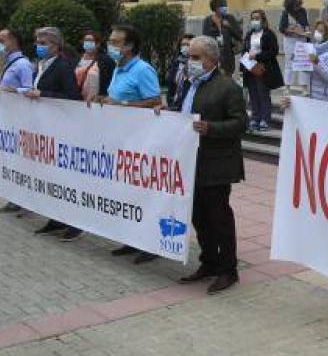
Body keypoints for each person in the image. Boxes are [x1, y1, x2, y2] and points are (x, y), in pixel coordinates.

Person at [173, 36, 246, 294]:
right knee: (198, 217)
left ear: (212, 59)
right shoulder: (187, 83)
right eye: (188, 56)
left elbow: (240, 123)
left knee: (219, 218)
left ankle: (228, 269)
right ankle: (209, 262)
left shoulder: (227, 87)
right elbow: (180, 111)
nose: (189, 61)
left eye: (195, 57)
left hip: (216, 164)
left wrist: (211, 128)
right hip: (189, 160)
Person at [99, 24, 164, 264]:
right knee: (126, 194)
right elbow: (116, 98)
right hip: (121, 141)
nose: (111, 46)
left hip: (141, 142)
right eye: (111, 41)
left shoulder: (142, 69)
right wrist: (104, 100)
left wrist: (123, 106)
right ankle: (132, 239)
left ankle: (150, 244)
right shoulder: (119, 68)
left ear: (129, 46)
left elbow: (155, 101)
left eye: (116, 42)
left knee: (143, 196)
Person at [25, 27, 83, 240]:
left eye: (44, 42)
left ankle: (74, 223)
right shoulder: (40, 65)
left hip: (62, 129)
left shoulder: (63, 66)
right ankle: (56, 218)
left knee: (66, 179)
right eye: (38, 41)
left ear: (56, 46)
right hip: (45, 130)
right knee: (50, 177)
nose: (39, 46)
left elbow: (72, 97)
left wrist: (44, 94)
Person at [0, 28, 33, 216]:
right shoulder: (9, 62)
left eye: (2, 40)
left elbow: (28, 90)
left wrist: (8, 92)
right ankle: (14, 198)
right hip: (9, 121)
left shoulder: (22, 64)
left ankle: (25, 200)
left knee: (22, 163)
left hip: (21, 121)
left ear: (14, 41)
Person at [241, 8, 284, 131]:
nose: (254, 21)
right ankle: (255, 118)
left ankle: (265, 119)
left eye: (257, 18)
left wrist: (257, 56)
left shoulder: (268, 34)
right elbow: (244, 50)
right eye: (253, 18)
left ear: (263, 20)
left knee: (263, 94)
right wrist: (243, 65)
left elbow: (273, 51)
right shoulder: (249, 34)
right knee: (253, 94)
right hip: (250, 68)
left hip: (264, 69)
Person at [301, 19, 328, 102]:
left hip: (325, 97)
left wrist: (317, 62)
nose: (317, 33)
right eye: (316, 30)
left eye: (321, 31)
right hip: (314, 94)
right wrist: (300, 61)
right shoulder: (315, 48)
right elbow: (311, 71)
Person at [201, 0, 243, 75]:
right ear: (215, 8)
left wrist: (229, 27)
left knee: (227, 77)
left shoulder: (230, 18)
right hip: (213, 55)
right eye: (222, 6)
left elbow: (239, 35)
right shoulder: (208, 20)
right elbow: (205, 38)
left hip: (227, 55)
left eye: (225, 5)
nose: (225, 8)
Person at [279, 0, 311, 88]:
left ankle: (304, 87)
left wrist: (307, 31)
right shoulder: (286, 13)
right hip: (290, 41)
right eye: (295, 5)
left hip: (302, 39)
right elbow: (282, 28)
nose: (298, 7)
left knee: (303, 63)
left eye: (298, 4)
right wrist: (294, 31)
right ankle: (287, 86)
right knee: (289, 63)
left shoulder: (303, 11)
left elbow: (306, 24)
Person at [75, 32, 106, 103]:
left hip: (92, 100)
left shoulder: (103, 61)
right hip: (75, 98)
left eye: (91, 41)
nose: (87, 42)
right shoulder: (75, 59)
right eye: (86, 40)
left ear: (97, 44)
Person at [163, 34, 193, 109]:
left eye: (188, 44)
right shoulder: (176, 63)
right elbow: (171, 84)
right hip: (173, 104)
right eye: (183, 44)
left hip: (188, 105)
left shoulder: (196, 65)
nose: (185, 47)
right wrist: (170, 101)